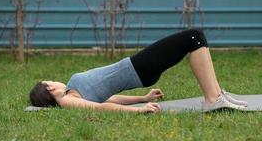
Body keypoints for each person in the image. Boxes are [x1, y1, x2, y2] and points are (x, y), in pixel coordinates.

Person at [29, 29, 247, 113]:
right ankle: (213, 99)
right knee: (193, 38)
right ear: (48, 87)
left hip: (138, 69)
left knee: (195, 38)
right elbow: (101, 107)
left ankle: (217, 95)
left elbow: (109, 96)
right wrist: (138, 111)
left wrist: (142, 98)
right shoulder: (67, 100)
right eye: (51, 81)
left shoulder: (72, 91)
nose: (55, 80)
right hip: (138, 67)